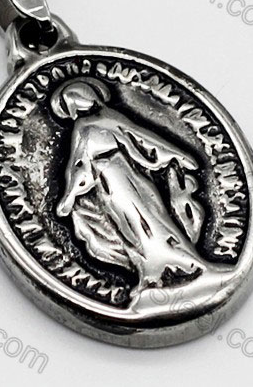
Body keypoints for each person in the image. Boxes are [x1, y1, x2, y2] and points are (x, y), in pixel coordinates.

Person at [51, 78, 206, 293]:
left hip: (128, 180)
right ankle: (151, 273)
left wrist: (176, 155)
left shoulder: (105, 118)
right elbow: (80, 165)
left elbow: (142, 138)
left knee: (151, 220)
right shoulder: (83, 127)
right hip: (108, 187)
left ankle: (186, 263)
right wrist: (70, 196)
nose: (76, 105)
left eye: (77, 98)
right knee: (129, 228)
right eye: (72, 102)